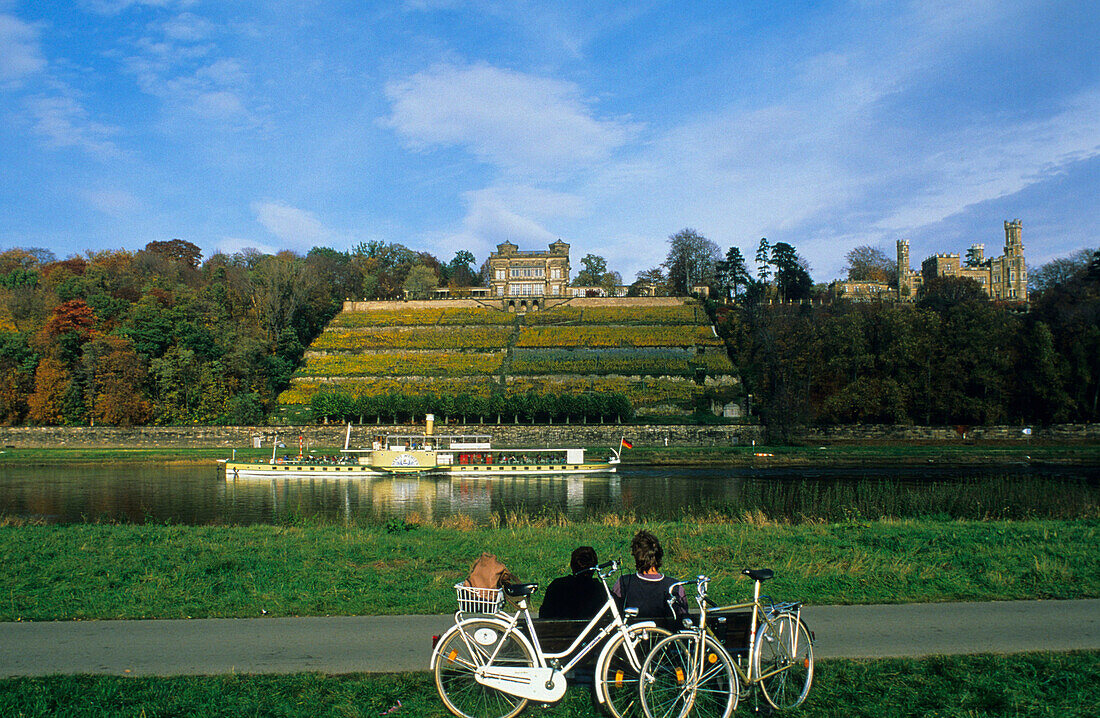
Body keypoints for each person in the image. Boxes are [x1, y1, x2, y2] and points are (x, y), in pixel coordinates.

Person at [612, 530, 687, 620]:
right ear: (659, 555)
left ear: (636, 556)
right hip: (667, 632)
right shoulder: (675, 586)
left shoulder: (623, 583)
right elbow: (683, 615)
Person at [539, 546, 607, 619]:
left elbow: (544, 615)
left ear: (571, 565)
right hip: (595, 630)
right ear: (595, 567)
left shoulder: (557, 586)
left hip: (560, 630)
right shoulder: (601, 589)